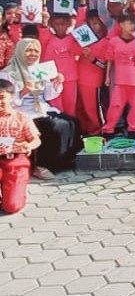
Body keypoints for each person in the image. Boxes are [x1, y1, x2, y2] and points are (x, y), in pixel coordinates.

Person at [0, 39, 81, 178]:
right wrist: (24, 92)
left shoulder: (39, 70)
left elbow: (48, 95)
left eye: (36, 51)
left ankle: (64, 162)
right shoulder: (7, 74)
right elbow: (7, 101)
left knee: (72, 122)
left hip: (41, 108)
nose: (33, 54)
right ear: (20, 52)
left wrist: (56, 83)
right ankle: (41, 165)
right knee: (54, 126)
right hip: (21, 111)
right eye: (28, 50)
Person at [102, 14, 135, 140]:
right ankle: (108, 129)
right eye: (130, 23)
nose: (132, 26)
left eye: (134, 23)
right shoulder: (114, 41)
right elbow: (109, 59)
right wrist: (107, 77)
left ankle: (133, 130)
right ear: (121, 25)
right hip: (119, 79)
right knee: (115, 105)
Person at [0, 79, 41, 214]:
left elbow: (36, 140)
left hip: (15, 161)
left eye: (1, 98)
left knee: (12, 206)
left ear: (11, 97)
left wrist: (28, 146)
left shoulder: (22, 117)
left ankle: (15, 192)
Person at [39, 12, 83, 118]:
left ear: (68, 24)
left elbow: (80, 25)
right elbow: (43, 30)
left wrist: (82, 5)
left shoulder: (72, 38)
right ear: (52, 24)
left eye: (63, 24)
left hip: (70, 79)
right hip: (52, 79)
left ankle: (70, 127)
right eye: (57, 24)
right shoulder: (48, 38)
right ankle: (58, 127)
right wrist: (44, 21)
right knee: (55, 108)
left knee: (70, 107)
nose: (60, 27)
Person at [76, 10, 109, 136]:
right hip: (79, 78)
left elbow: (105, 65)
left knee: (92, 109)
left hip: (93, 82)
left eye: (95, 23)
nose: (92, 27)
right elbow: (79, 23)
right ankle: (86, 130)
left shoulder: (106, 41)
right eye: (90, 24)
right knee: (81, 108)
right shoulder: (85, 39)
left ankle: (98, 132)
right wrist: (83, 6)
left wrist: (92, 59)